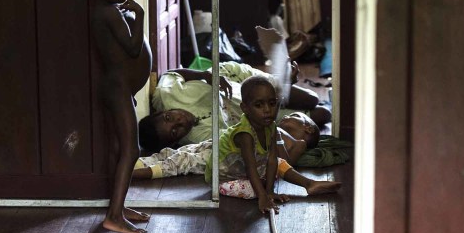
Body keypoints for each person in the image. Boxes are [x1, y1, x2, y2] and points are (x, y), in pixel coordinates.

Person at [79, 0, 152, 233]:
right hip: (118, 89)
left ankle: (119, 207)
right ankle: (114, 217)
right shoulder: (108, 13)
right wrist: (140, 14)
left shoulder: (109, 10)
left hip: (120, 88)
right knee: (131, 150)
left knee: (117, 149)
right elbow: (133, 48)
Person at [206, 76, 340, 214]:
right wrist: (263, 197)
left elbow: (272, 160)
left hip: (242, 169)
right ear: (244, 108)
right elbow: (250, 167)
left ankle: (309, 184)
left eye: (272, 103)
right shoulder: (244, 134)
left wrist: (270, 192)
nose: (267, 110)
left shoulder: (271, 127)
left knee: (278, 163)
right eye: (259, 105)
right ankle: (263, 191)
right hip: (224, 178)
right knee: (256, 189)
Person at [138, 61, 332, 152]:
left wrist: (206, 76)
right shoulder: (197, 141)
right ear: (174, 142)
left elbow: (174, 72)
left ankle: (281, 87)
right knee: (322, 114)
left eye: (169, 118)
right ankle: (280, 96)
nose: (179, 121)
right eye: (175, 131)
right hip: (254, 110)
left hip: (240, 81)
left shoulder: (166, 94)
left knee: (311, 99)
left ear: (163, 111)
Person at [132, 112, 320, 179]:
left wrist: (275, 135)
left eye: (294, 116)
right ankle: (137, 163)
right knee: (179, 151)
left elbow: (283, 163)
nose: (286, 117)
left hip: (230, 156)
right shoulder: (272, 128)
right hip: (224, 140)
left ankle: (132, 175)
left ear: (308, 129)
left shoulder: (298, 143)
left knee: (185, 160)